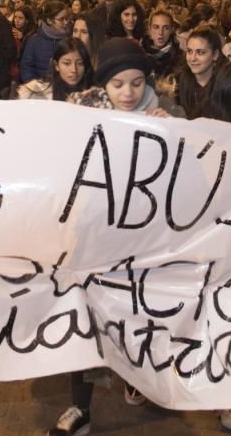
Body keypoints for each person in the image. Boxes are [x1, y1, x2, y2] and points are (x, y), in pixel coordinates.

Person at [50, 38, 169, 436]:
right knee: (84, 318)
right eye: (118, 84)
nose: (128, 93)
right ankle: (80, 406)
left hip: (142, 240)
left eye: (137, 83)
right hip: (91, 236)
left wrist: (170, 131)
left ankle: (140, 377)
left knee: (138, 314)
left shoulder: (164, 113)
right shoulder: (78, 114)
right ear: (104, 85)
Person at [16, 37, 92, 101]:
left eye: (80, 64)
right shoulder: (36, 94)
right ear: (56, 65)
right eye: (67, 63)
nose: (74, 70)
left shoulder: (95, 97)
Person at [174, 26, 223, 120]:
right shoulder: (176, 83)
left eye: (200, 52)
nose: (193, 58)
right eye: (189, 51)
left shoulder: (226, 84)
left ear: (215, 55)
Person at [20, 1, 69, 83]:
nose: (66, 22)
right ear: (49, 20)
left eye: (66, 18)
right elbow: (26, 68)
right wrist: (36, 87)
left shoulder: (70, 38)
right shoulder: (34, 41)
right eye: (61, 19)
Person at [141, 8, 182, 79]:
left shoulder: (180, 57)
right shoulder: (139, 54)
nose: (160, 32)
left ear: (171, 30)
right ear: (149, 29)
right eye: (156, 27)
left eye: (166, 28)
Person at [9, 5, 36, 82]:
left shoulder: (32, 33)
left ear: (27, 20)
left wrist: (23, 38)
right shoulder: (11, 30)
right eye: (15, 17)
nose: (16, 20)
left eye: (20, 18)